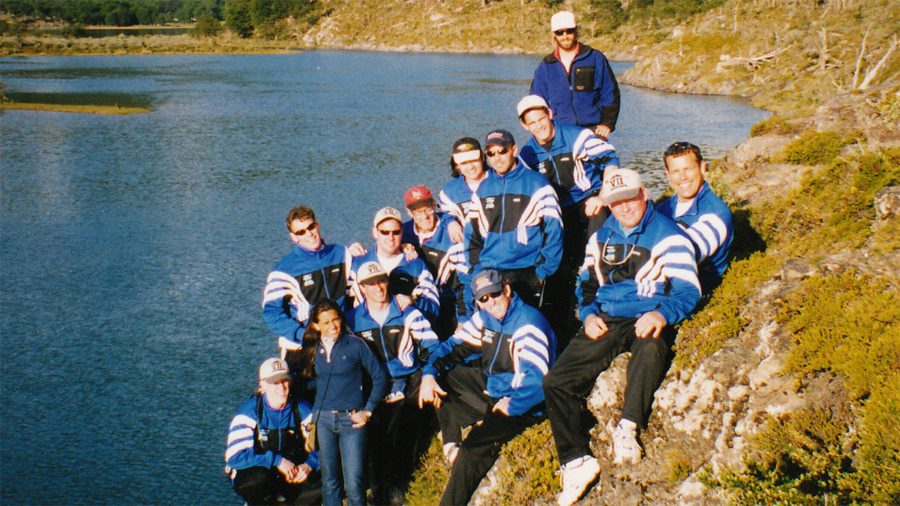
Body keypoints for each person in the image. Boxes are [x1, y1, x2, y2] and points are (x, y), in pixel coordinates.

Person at [542, 168, 701, 506]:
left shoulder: (668, 234)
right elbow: (585, 284)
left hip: (648, 312)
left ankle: (628, 426)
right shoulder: (600, 237)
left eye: (630, 198)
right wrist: (587, 317)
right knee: (556, 382)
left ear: (644, 194)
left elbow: (689, 291)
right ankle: (575, 461)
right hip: (607, 317)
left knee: (652, 346)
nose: (625, 207)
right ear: (608, 205)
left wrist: (662, 314)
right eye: (616, 202)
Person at [418, 269, 556, 506]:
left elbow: (539, 382)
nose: (490, 303)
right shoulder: (485, 319)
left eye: (494, 294)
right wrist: (428, 375)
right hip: (494, 391)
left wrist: (511, 405)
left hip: (524, 404)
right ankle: (452, 441)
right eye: (483, 299)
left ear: (506, 290)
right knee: (440, 378)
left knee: (472, 453)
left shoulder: (529, 323)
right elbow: (451, 348)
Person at [517, 95, 620, 345]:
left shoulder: (578, 136)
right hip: (560, 210)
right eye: (532, 122)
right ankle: (559, 325)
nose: (539, 126)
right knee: (556, 263)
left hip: (591, 200)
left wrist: (604, 196)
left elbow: (611, 161)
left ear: (550, 114)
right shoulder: (527, 153)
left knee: (597, 249)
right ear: (524, 126)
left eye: (542, 118)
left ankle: (607, 307)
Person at [346, 261, 442, 504]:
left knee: (406, 423)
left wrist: (429, 373)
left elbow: (434, 347)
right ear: (362, 288)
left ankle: (398, 483)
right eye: (370, 283)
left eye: (381, 280)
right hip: (373, 385)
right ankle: (377, 488)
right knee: (376, 430)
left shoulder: (409, 313)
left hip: (406, 380)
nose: (378, 287)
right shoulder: (353, 320)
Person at [292, 299, 388, 506]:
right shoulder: (311, 349)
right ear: (316, 325)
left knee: (354, 484)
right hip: (323, 422)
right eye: (326, 323)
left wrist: (368, 410)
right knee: (330, 482)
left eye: (335, 320)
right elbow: (308, 382)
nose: (333, 326)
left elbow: (380, 377)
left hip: (352, 422)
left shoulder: (355, 344)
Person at [463, 129, 564, 314]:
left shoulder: (537, 183)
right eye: (491, 153)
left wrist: (541, 273)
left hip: (526, 271)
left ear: (514, 150)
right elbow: (472, 237)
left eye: (503, 151)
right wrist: (477, 273)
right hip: (490, 271)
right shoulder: (483, 188)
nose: (497, 158)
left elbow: (554, 232)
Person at [262, 206, 357, 355]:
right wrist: (302, 335)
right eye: (300, 232)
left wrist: (405, 245)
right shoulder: (283, 271)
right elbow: (271, 312)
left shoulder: (342, 254)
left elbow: (369, 280)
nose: (309, 234)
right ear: (294, 237)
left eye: (311, 227)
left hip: (339, 340)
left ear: (317, 225)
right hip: (303, 347)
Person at [225, 358, 320, 506]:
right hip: (261, 470)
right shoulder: (249, 412)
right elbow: (234, 458)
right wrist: (277, 461)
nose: (281, 387)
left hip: (291, 470)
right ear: (262, 384)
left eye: (285, 381)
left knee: (326, 474)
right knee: (257, 479)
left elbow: (323, 448)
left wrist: (309, 465)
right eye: (274, 382)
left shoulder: (303, 409)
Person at [656, 142, 734, 293]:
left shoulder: (717, 214)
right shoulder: (662, 209)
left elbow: (681, 257)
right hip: (659, 288)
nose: (683, 177)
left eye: (688, 169)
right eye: (676, 171)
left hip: (691, 296)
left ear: (702, 167)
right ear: (667, 174)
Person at [530, 10, 620, 139]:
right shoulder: (545, 66)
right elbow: (536, 102)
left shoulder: (595, 58)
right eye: (560, 32)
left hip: (593, 131)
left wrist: (607, 123)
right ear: (553, 35)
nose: (565, 36)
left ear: (576, 31)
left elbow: (610, 94)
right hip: (559, 134)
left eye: (569, 31)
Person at [351, 207, 441, 323]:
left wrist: (413, 300)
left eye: (396, 232)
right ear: (375, 233)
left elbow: (434, 309)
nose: (391, 237)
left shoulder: (416, 265)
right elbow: (346, 306)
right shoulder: (358, 264)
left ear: (402, 232)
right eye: (385, 232)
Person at [401, 185, 468, 340]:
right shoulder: (402, 233)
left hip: (447, 303)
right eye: (417, 211)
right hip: (415, 303)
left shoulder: (452, 234)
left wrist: (463, 319)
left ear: (433, 205)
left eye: (427, 209)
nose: (424, 216)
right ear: (409, 212)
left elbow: (464, 283)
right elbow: (383, 246)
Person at [438, 137, 490, 229]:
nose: (470, 167)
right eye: (464, 163)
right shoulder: (449, 192)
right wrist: (451, 223)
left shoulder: (499, 180)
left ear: (482, 156)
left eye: (474, 160)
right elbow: (446, 215)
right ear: (457, 164)